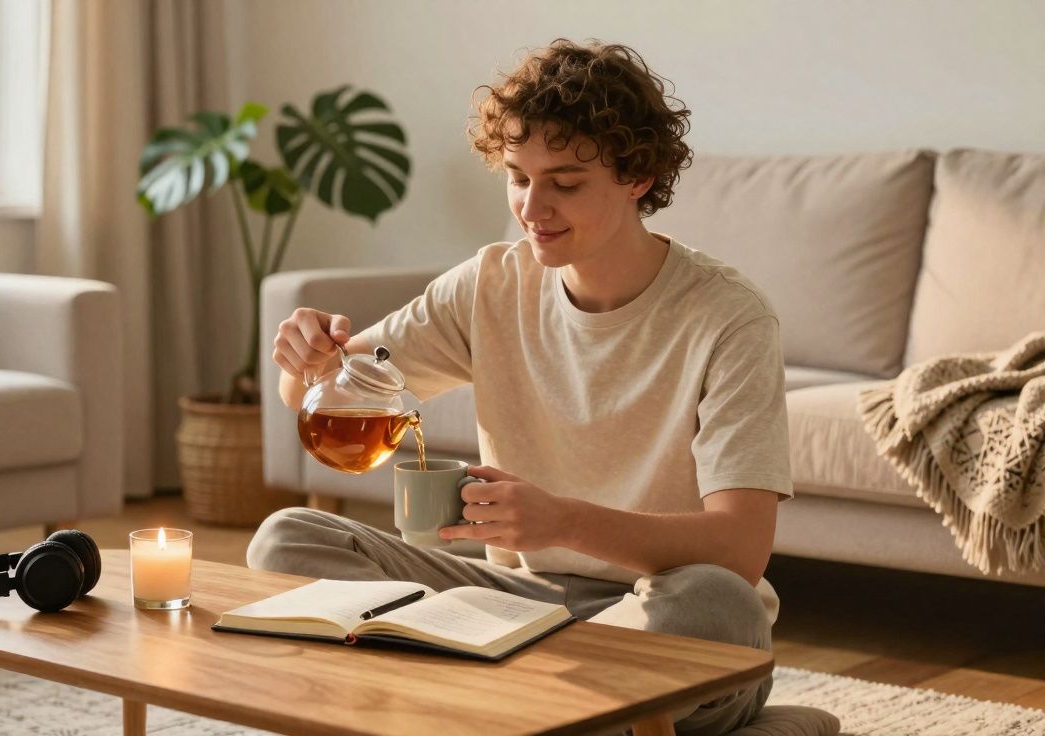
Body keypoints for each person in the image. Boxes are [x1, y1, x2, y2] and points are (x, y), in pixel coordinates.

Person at [250, 39, 791, 735]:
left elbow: (741, 550)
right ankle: (523, 706)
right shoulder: (492, 282)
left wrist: (562, 521)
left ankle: (477, 701)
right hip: (515, 610)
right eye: (516, 177)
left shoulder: (728, 317)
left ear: (636, 176)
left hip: (659, 611)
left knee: (721, 605)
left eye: (564, 183)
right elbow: (329, 389)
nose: (533, 208)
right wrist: (305, 358)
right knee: (286, 540)